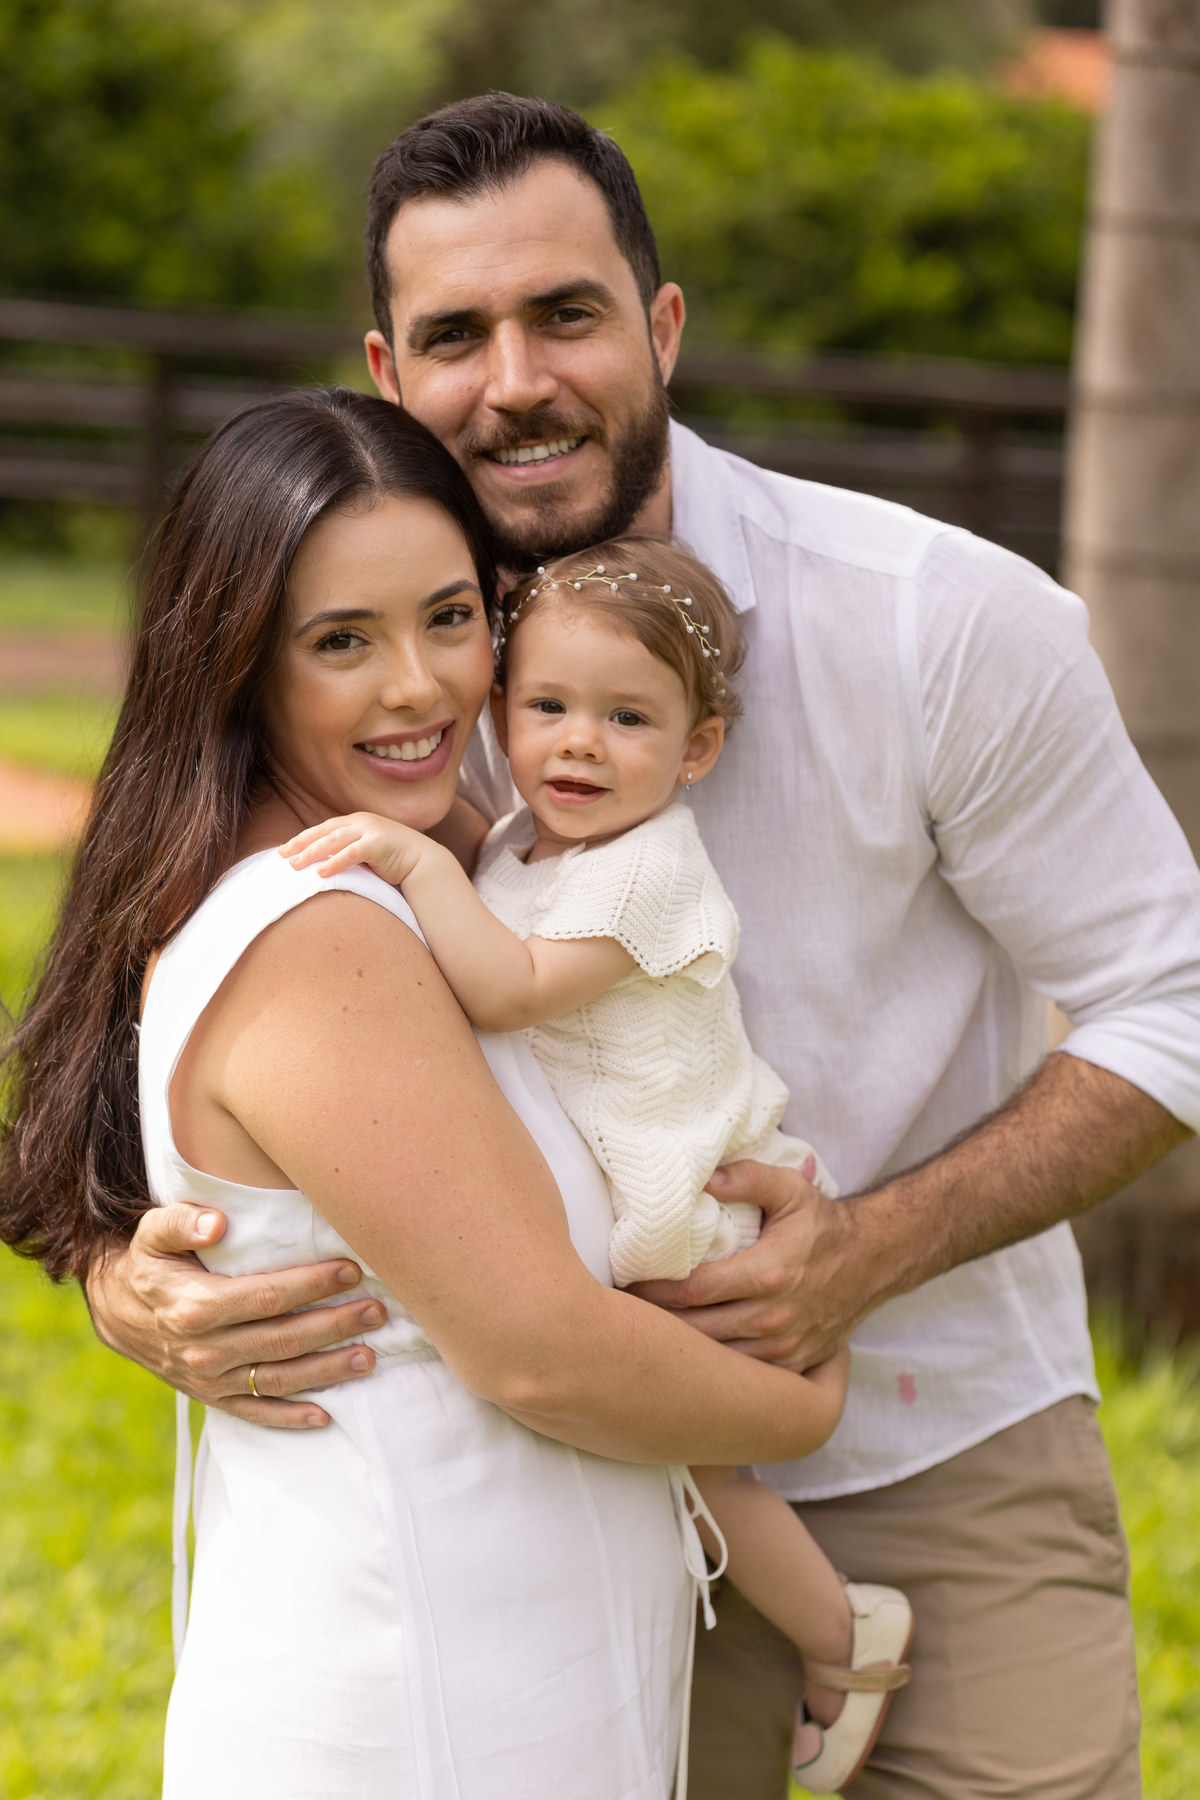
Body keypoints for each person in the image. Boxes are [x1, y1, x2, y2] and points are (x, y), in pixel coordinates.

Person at [81, 96, 1200, 1799]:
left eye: (567, 314)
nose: (516, 380)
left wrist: (864, 1252)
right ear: (388, 369)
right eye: (457, 335)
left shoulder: (937, 620)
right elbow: (198, 1039)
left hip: (935, 1446)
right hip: (562, 1502)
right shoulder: (383, 669)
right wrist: (131, 1281)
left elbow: (1175, 996)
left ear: (663, 326)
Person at [0, 387, 852, 1799]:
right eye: (342, 640)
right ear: (238, 659)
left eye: (450, 619)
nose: (420, 687)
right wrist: (808, 1409)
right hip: (429, 1696)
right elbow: (541, 1354)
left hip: (493, 1659)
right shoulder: (325, 930)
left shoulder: (455, 859)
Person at [281, 534, 915, 1793]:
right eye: (549, 709)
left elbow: (511, 989)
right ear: (501, 715)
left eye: (627, 719)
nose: (579, 744)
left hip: (694, 1205)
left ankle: (846, 1638)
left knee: (694, 1458)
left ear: (696, 750)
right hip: (640, 1179)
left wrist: (412, 860)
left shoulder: (648, 870)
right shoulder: (528, 843)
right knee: (670, 1459)